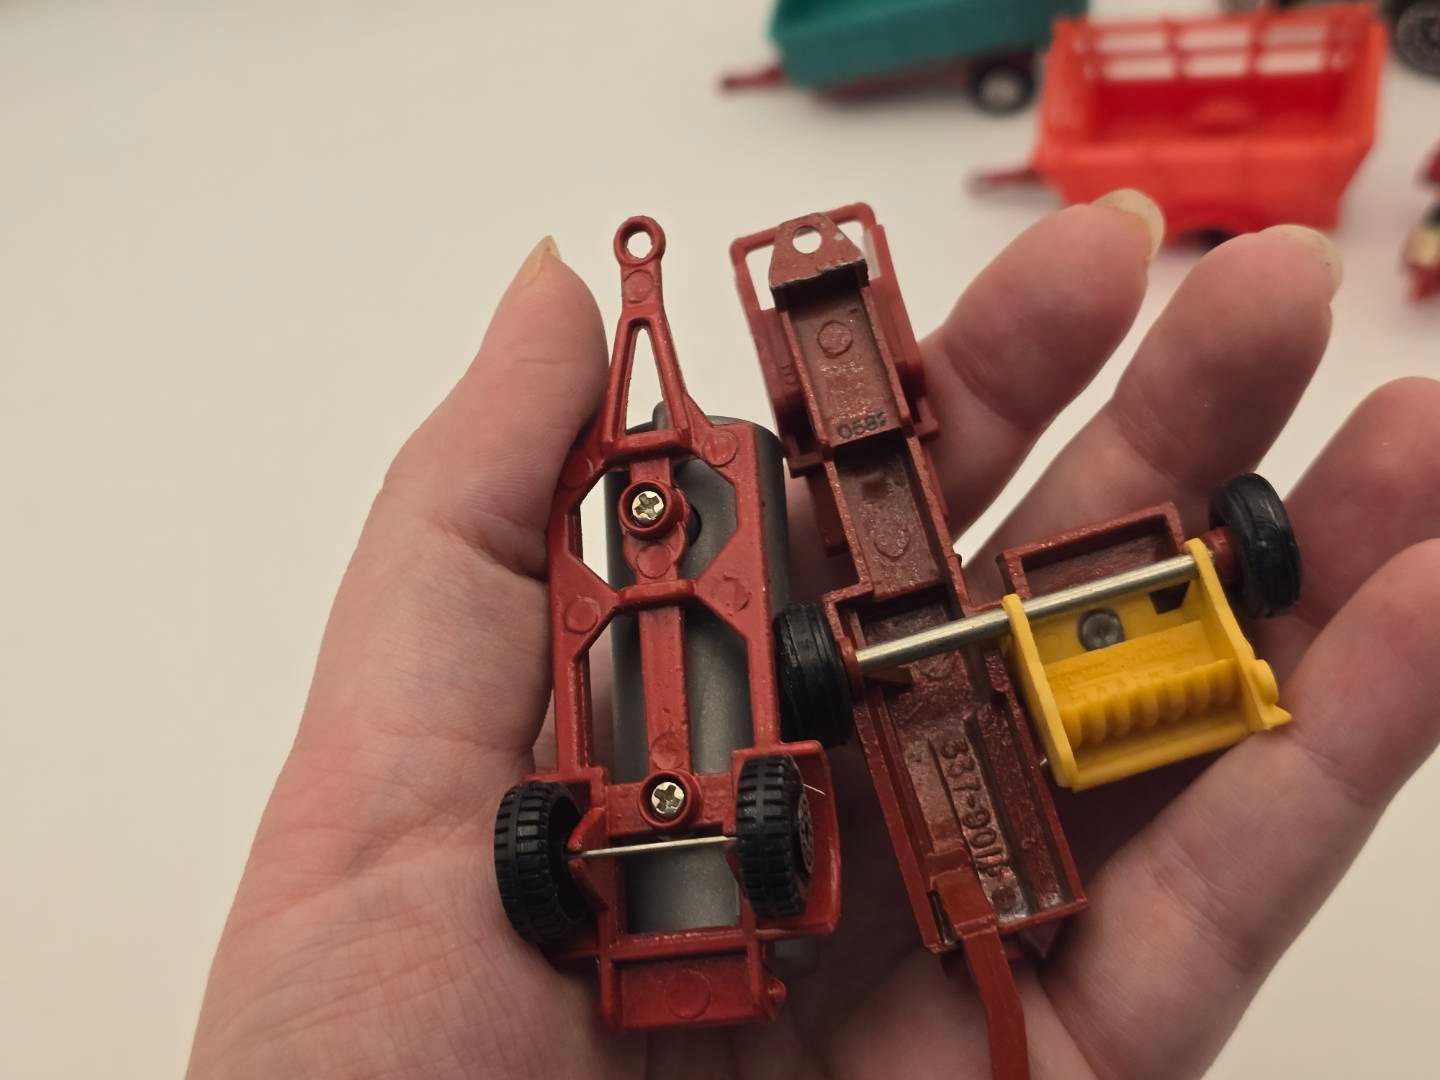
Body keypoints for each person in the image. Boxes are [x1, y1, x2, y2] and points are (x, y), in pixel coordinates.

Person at [186, 192, 1440, 1079]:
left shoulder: (728, 514)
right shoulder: (715, 551)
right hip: (781, 773)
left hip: (845, 723)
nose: (649, 513)